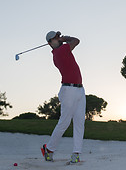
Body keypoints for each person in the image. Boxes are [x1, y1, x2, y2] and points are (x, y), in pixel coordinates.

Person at [41, 31, 86, 164]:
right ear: (50, 43)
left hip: (79, 89)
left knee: (79, 122)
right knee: (64, 122)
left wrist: (59, 39)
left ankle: (76, 153)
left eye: (58, 36)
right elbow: (77, 40)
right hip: (68, 91)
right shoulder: (60, 52)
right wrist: (64, 38)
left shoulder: (62, 49)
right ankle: (48, 149)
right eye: (55, 38)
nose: (58, 39)